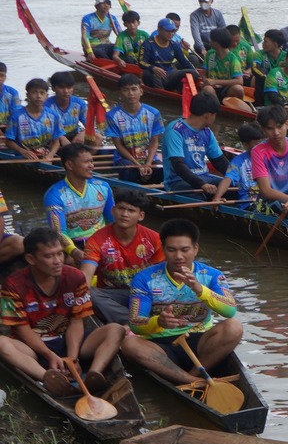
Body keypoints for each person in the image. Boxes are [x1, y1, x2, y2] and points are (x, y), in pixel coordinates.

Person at [0, 228, 128, 398]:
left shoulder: (75, 277)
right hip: (32, 347)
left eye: (60, 254)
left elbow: (76, 321)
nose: (58, 261)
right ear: (31, 259)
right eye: (49, 256)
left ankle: (94, 373)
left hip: (68, 340)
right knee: (2, 343)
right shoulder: (13, 284)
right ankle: (48, 378)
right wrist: (48, 354)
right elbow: (22, 329)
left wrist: (72, 359)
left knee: (116, 329)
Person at [118, 217, 244, 387]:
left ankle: (193, 375)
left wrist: (200, 289)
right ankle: (192, 381)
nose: (178, 256)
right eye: (171, 250)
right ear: (163, 249)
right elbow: (135, 324)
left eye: (185, 250)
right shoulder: (145, 278)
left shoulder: (212, 275)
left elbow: (230, 311)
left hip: (200, 342)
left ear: (195, 249)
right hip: (161, 345)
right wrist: (158, 322)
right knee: (130, 344)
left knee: (234, 327)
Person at [78, 189, 161, 326]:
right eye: (121, 208)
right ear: (113, 210)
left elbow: (165, 275)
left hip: (146, 293)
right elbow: (86, 275)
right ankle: (137, 323)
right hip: (113, 294)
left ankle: (141, 320)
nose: (124, 214)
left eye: (131, 210)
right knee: (89, 293)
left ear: (141, 216)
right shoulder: (97, 239)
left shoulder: (154, 239)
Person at [42, 142, 115, 249]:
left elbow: (113, 221)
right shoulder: (55, 195)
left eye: (92, 161)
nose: (92, 166)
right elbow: (59, 233)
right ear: (70, 165)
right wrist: (74, 252)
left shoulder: (103, 187)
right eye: (86, 162)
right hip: (73, 245)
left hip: (101, 242)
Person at [103, 75, 164, 183]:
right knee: (130, 173)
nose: (130, 94)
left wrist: (148, 163)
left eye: (134, 89)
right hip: (125, 159)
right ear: (120, 93)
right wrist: (137, 165)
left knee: (162, 171)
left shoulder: (153, 113)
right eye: (126, 90)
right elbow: (118, 145)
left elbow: (154, 142)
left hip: (149, 158)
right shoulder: (112, 115)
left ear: (141, 91)